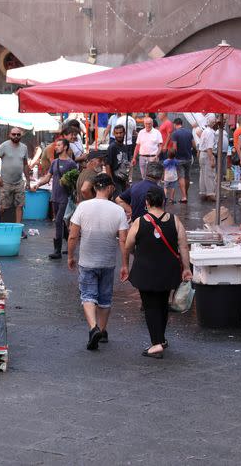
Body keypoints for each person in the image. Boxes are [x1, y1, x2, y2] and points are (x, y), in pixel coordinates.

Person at [125, 188, 192, 358]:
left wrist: (128, 261)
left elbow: (128, 245)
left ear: (147, 202)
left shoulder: (139, 221)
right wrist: (186, 268)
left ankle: (156, 344)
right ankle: (160, 339)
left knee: (150, 306)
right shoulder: (175, 221)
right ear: (163, 201)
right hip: (168, 270)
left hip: (145, 270)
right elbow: (183, 246)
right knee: (162, 304)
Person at [68, 173, 129, 350]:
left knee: (87, 295)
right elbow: (123, 240)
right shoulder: (118, 210)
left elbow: (73, 235)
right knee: (104, 298)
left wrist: (71, 256)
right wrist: (125, 264)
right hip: (108, 261)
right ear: (110, 188)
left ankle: (93, 327)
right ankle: (101, 331)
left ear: (95, 188)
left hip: (87, 260)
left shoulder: (82, 207)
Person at [31, 138, 78, 259]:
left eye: (59, 145)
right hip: (55, 196)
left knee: (58, 221)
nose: (56, 147)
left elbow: (75, 181)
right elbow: (47, 178)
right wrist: (37, 184)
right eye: (56, 145)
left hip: (65, 197)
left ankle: (57, 251)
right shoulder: (55, 162)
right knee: (60, 221)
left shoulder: (71, 164)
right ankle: (68, 244)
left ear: (65, 147)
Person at [0, 127, 30, 232]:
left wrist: (28, 181)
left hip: (19, 182)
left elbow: (26, 165)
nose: (16, 136)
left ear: (21, 135)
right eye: (14, 134)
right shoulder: (4, 146)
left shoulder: (24, 148)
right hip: (5, 182)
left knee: (20, 206)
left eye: (18, 134)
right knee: (3, 206)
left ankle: (18, 229)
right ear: (10, 135)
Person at [170, 118, 194, 203]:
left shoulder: (175, 134)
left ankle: (184, 196)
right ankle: (185, 194)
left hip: (179, 158)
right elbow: (193, 145)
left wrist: (171, 157)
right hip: (188, 158)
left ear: (175, 124)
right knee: (187, 176)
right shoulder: (189, 132)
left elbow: (174, 147)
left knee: (181, 177)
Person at [132, 117, 162, 181]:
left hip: (153, 157)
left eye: (149, 123)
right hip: (142, 157)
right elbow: (137, 146)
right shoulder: (141, 132)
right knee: (144, 177)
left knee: (154, 177)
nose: (148, 125)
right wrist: (134, 158)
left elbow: (160, 146)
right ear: (144, 124)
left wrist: (157, 155)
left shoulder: (157, 132)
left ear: (152, 123)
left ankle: (154, 190)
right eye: (146, 123)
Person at [106, 124, 134, 194]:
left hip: (123, 180)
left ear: (124, 133)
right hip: (115, 181)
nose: (119, 135)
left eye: (121, 133)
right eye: (117, 133)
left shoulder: (125, 147)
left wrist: (128, 180)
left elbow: (128, 164)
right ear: (114, 134)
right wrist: (111, 182)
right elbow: (107, 165)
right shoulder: (112, 147)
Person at [197, 116, 217, 201]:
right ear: (213, 123)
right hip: (207, 154)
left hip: (202, 154)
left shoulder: (205, 131)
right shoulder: (210, 133)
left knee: (203, 174)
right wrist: (211, 159)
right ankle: (210, 194)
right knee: (209, 174)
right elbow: (209, 148)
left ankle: (203, 192)